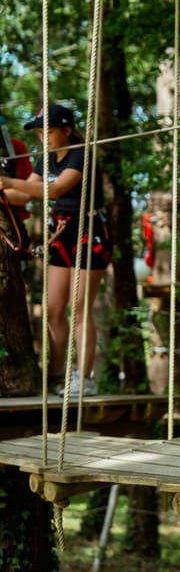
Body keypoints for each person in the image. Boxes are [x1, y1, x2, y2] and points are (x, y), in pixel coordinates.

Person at [0, 104, 112, 396]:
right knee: (52, 309)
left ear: (66, 129)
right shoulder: (47, 159)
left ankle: (83, 377)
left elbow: (57, 189)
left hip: (89, 232)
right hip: (61, 232)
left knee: (79, 306)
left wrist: (10, 182)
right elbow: (25, 193)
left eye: (48, 131)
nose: (43, 138)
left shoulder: (81, 154)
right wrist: (3, 193)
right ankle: (58, 371)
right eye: (39, 133)